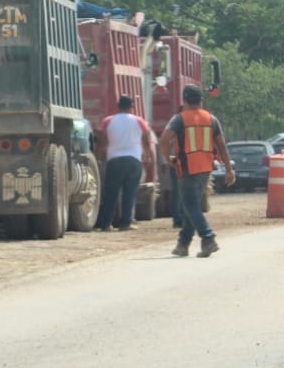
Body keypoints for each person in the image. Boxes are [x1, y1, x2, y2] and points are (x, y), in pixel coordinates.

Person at [159, 84, 232, 257]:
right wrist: (229, 169)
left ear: (184, 101)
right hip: (206, 168)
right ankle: (183, 244)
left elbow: (163, 140)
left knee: (189, 205)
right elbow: (222, 146)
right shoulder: (211, 119)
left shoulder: (179, 119)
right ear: (201, 100)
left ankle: (208, 237)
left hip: (187, 168)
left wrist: (167, 157)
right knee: (192, 207)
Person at [94, 95, 154, 231]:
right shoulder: (139, 121)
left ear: (118, 106)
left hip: (114, 160)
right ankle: (126, 223)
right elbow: (146, 138)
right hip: (133, 160)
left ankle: (106, 224)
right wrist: (148, 155)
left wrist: (97, 157)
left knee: (110, 193)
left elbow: (102, 141)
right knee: (130, 192)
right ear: (131, 106)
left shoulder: (108, 121)